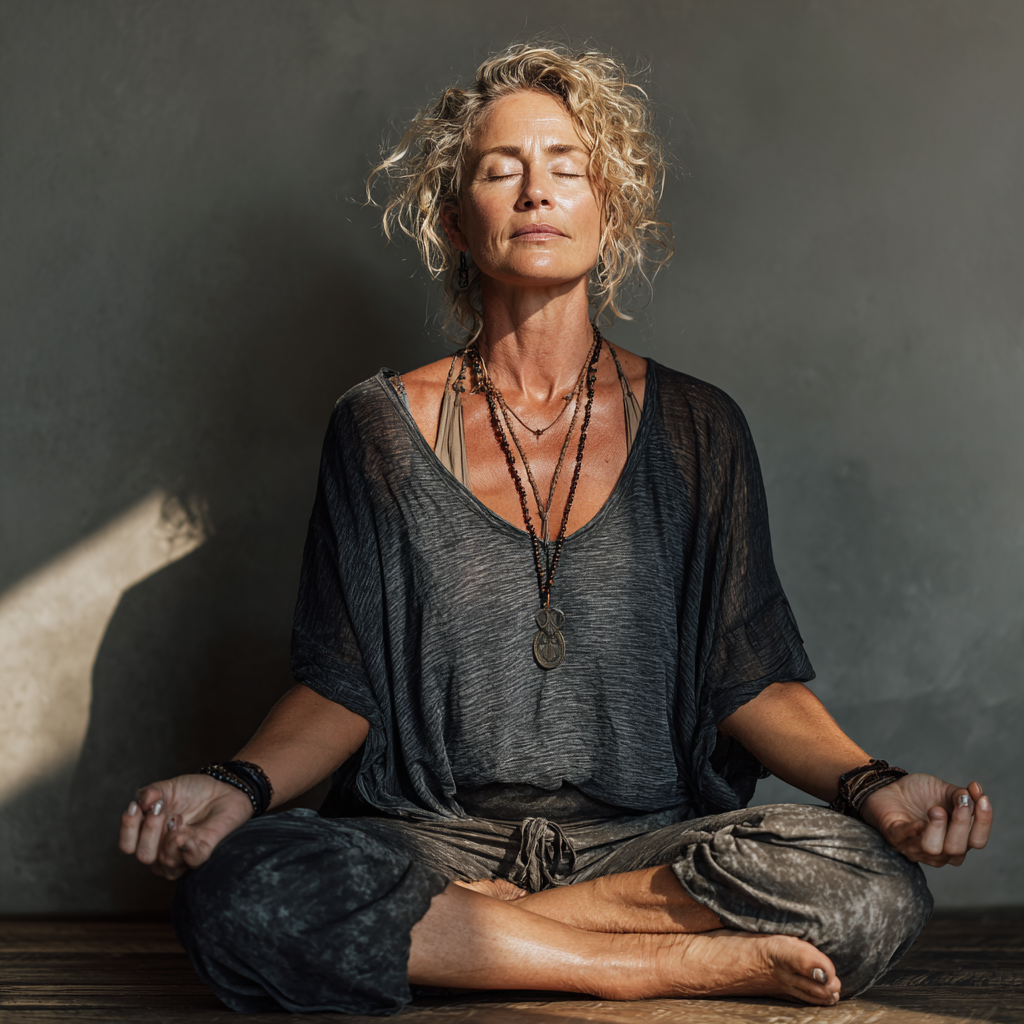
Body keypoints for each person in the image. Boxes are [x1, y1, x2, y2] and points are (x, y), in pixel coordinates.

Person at [118, 43, 993, 1014]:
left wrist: (874, 786)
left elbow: (748, 678)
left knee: (868, 885)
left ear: (608, 210)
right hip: (430, 834)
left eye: (568, 168)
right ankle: (644, 963)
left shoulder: (701, 430)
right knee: (238, 887)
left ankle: (482, 937)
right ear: (454, 218)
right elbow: (342, 685)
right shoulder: (376, 430)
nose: (537, 191)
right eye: (501, 170)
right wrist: (235, 785)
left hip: (641, 843)